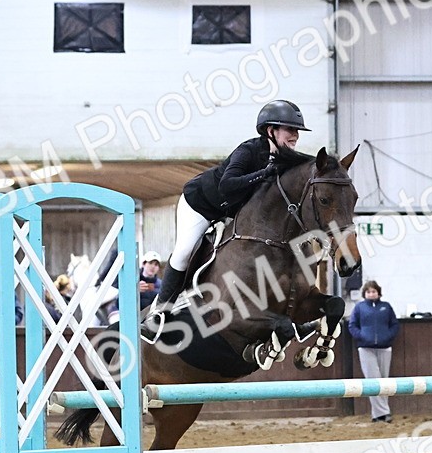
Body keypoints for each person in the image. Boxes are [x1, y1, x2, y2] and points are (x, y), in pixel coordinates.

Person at [144, 99, 311, 324]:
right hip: (201, 204)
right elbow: (227, 185)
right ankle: (160, 310)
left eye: (297, 131)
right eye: (290, 129)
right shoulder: (248, 150)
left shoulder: (288, 161)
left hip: (231, 212)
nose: (295, 136)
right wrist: (264, 173)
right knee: (184, 251)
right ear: (271, 130)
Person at [347, 280, 399, 422]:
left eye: (374, 291)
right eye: (369, 292)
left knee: (384, 380)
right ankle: (383, 413)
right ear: (365, 293)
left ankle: (378, 414)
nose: (371, 294)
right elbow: (352, 326)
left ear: (378, 293)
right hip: (365, 348)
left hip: (385, 348)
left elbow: (394, 325)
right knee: (373, 380)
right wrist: (362, 337)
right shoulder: (359, 308)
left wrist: (388, 337)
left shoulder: (386, 307)